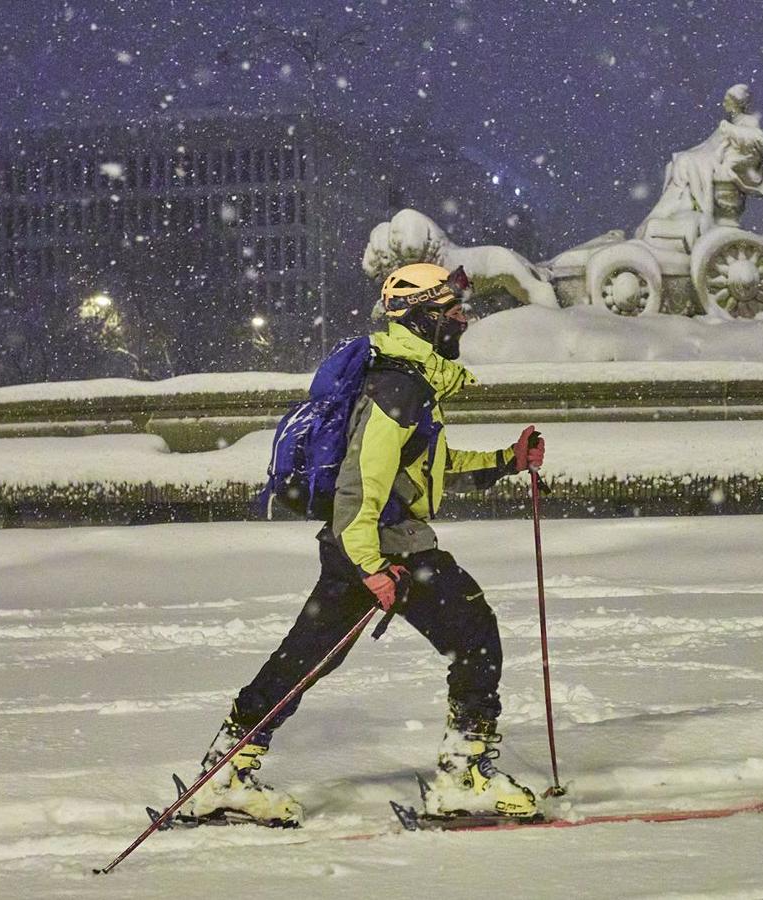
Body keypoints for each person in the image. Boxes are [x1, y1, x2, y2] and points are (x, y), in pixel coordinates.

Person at [179, 262, 546, 827]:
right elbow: (360, 485)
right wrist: (371, 567)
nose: (463, 321)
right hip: (389, 551)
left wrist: (506, 461)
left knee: (303, 660)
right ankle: (464, 777)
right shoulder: (399, 386)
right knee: (475, 637)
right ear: (423, 318)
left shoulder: (406, 380)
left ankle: (224, 773)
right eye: (452, 311)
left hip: (369, 548)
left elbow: (428, 470)